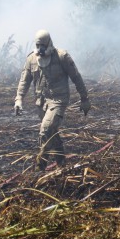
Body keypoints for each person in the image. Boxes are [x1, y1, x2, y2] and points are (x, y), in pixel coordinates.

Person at [14, 29, 90, 170]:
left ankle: (39, 168)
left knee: (45, 131)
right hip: (41, 103)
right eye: (38, 45)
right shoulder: (31, 59)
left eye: (43, 44)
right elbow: (24, 81)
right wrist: (19, 99)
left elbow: (76, 77)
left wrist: (84, 99)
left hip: (58, 101)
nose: (41, 48)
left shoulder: (62, 57)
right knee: (52, 133)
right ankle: (62, 165)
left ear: (49, 42)